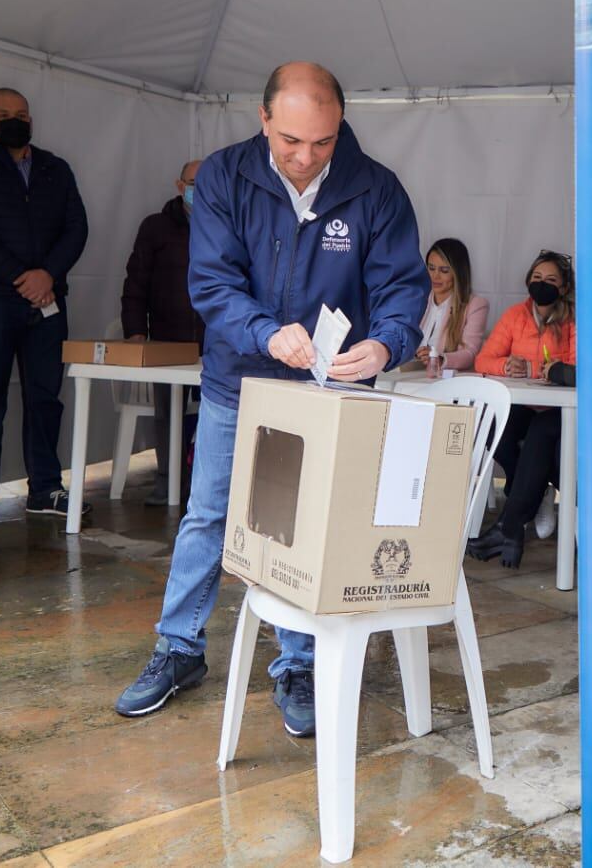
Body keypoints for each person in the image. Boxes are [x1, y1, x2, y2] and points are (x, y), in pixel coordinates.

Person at [114, 63, 428, 737]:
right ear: (263, 120)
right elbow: (213, 281)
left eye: (321, 141)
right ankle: (178, 648)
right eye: (291, 140)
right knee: (210, 515)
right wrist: (262, 330)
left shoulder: (376, 189)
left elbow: (403, 286)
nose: (305, 156)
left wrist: (386, 345)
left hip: (331, 390)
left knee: (310, 528)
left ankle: (298, 664)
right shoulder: (225, 177)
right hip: (241, 381)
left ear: (340, 125)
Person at [0, 88, 90, 534]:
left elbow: (76, 227)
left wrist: (48, 274)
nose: (13, 120)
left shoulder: (54, 168)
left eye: (21, 114)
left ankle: (45, 489)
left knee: (45, 397)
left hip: (48, 300)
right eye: (3, 115)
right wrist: (21, 277)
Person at [467, 250, 577, 568]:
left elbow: (577, 364)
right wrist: (507, 365)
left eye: (551, 280)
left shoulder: (572, 319)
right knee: (493, 427)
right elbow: (483, 360)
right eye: (537, 279)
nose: (542, 285)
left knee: (542, 432)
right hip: (525, 403)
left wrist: (547, 368)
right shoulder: (516, 315)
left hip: (561, 410)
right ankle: (535, 490)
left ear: (565, 288)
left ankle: (510, 527)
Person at [120, 160, 206, 505]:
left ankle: (202, 485)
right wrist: (136, 331)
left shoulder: (228, 225)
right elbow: (135, 282)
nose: (198, 190)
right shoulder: (156, 227)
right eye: (192, 182)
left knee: (216, 412)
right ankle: (167, 480)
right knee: (167, 412)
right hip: (168, 339)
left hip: (215, 341)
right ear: (178, 184)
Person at [406, 238, 489, 374]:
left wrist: (440, 359)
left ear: (458, 273)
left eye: (444, 270)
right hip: (409, 375)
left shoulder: (476, 305)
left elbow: (470, 354)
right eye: (431, 268)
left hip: (448, 380)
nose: (435, 276)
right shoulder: (415, 297)